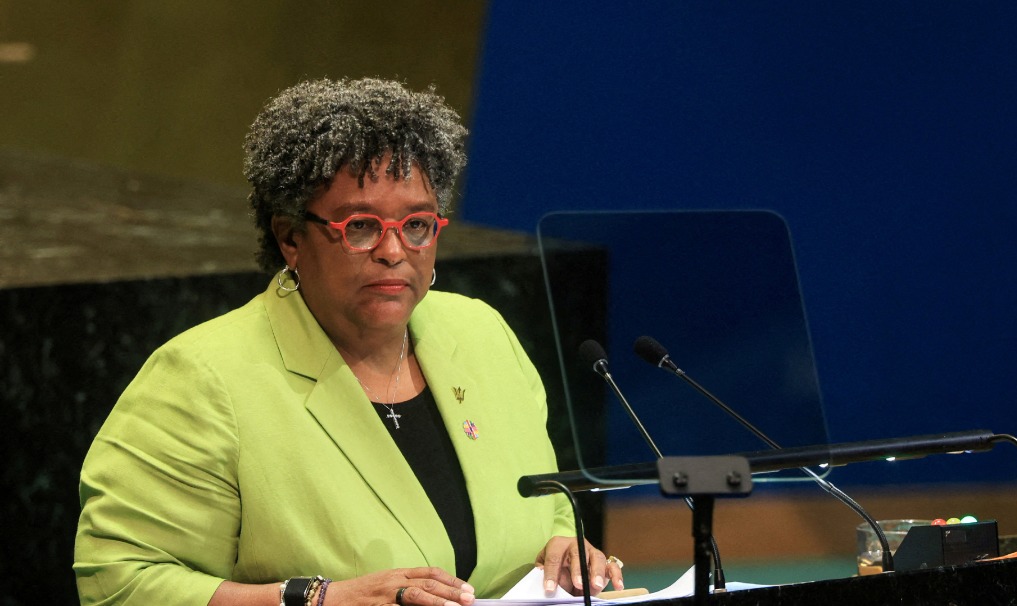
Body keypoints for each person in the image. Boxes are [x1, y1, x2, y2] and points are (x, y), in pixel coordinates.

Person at [74, 78, 625, 606]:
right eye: (361, 226)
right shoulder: (202, 378)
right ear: (290, 237)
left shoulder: (481, 334)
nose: (394, 251)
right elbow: (121, 582)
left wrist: (563, 552)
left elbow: (549, 509)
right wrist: (318, 599)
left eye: (416, 224)